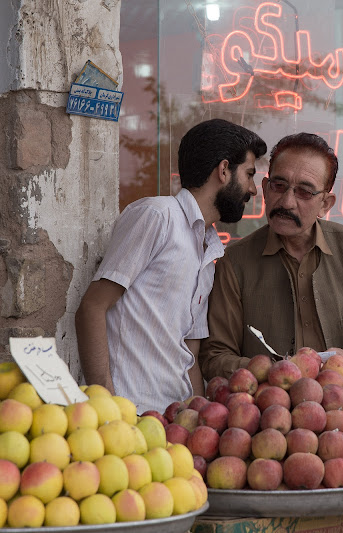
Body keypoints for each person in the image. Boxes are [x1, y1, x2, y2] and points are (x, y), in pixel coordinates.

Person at [75, 118, 268, 413]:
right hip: (129, 414)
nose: (253, 190)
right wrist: (107, 408)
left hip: (173, 421)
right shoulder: (157, 216)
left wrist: (197, 416)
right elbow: (92, 307)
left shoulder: (209, 248)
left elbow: (189, 350)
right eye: (250, 174)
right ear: (224, 169)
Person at [199, 132, 343, 379]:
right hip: (269, 412)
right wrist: (272, 373)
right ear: (265, 189)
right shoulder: (234, 263)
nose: (286, 202)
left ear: (326, 204)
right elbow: (215, 358)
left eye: (304, 192)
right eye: (279, 186)